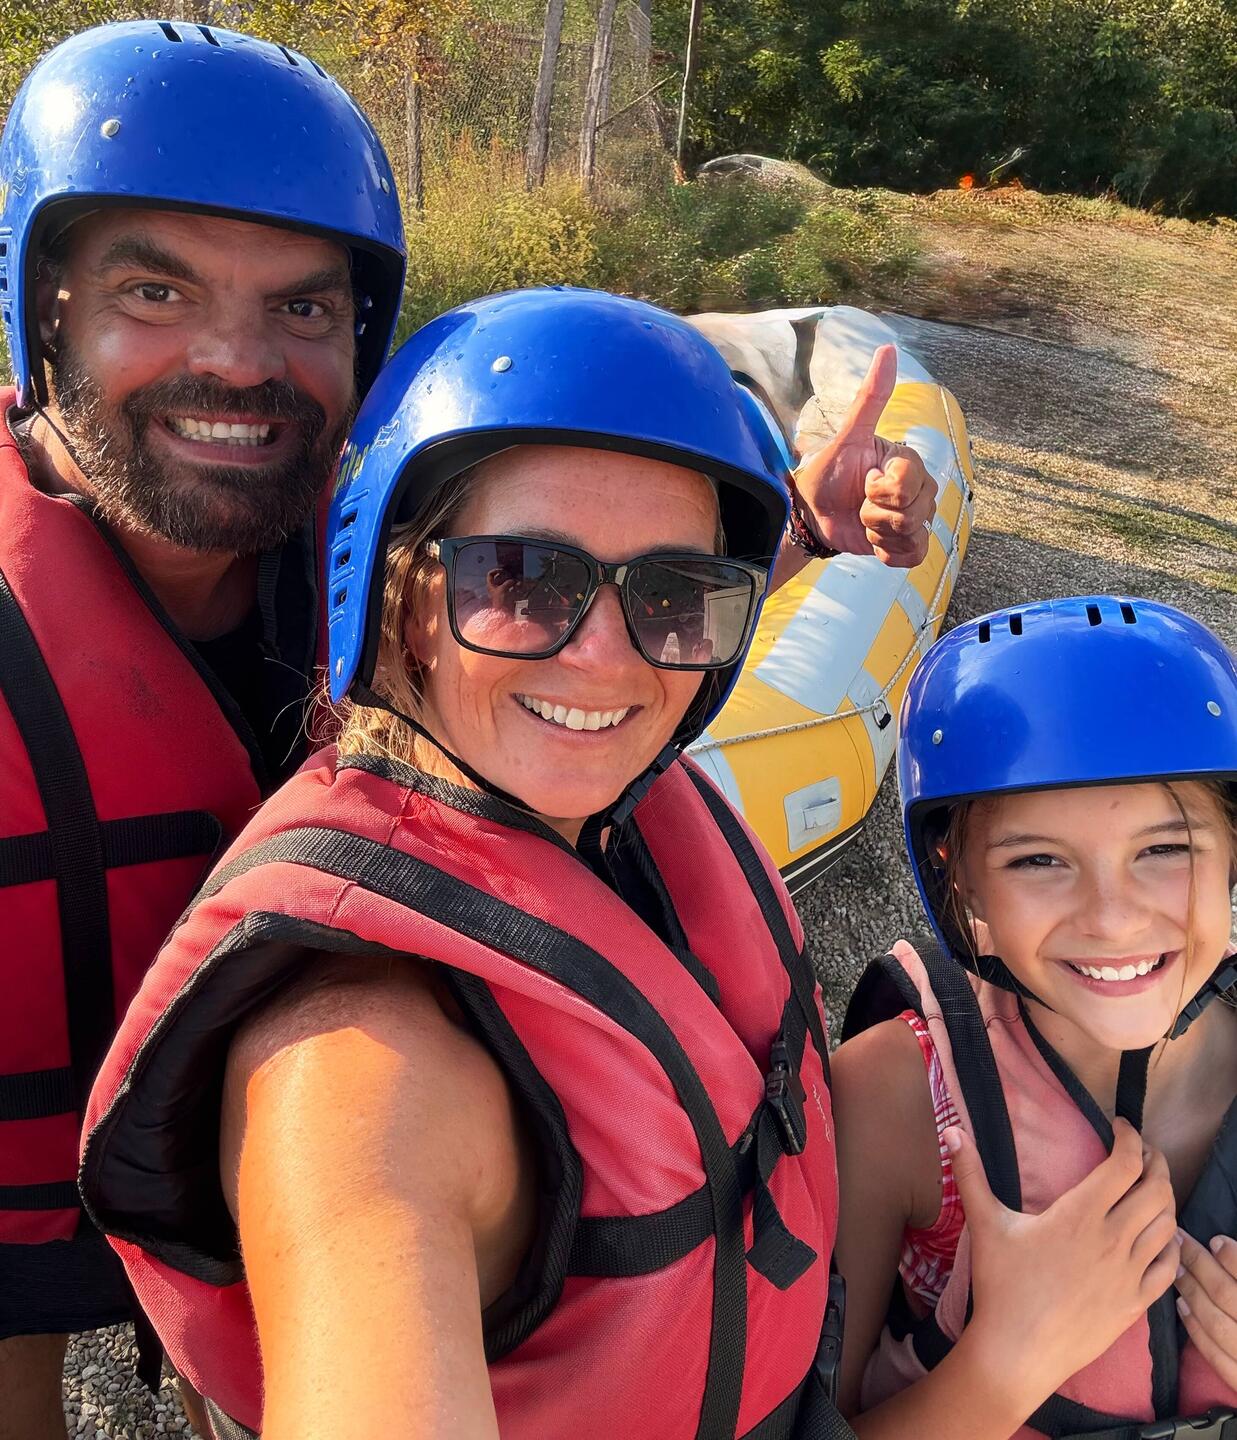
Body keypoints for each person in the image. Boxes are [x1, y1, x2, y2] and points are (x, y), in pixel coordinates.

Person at [81, 287, 857, 1440]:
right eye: (522, 579)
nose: (607, 660)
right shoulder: (359, 1071)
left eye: (671, 591)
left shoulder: (602, 796)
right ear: (401, 601)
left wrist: (807, 533)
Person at [0, 19, 405, 1438]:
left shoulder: (388, 563)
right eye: (157, 290)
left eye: (302, 308)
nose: (239, 365)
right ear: (46, 308)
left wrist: (786, 524)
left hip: (273, 1163)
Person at [831, 596, 1237, 1438]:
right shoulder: (890, 1099)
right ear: (960, 879)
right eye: (1039, 860)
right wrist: (1006, 1362)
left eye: (1165, 850)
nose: (1112, 920)